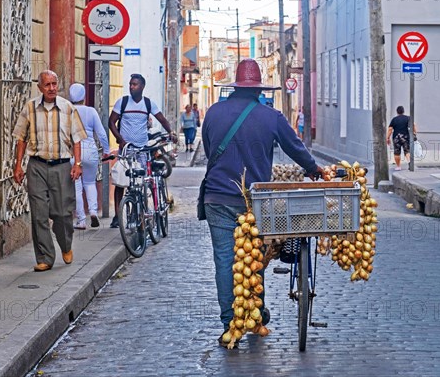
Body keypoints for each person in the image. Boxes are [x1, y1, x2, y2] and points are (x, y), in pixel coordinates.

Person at [202, 58, 323, 348]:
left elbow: (209, 149)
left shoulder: (214, 113)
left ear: (235, 86)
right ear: (258, 89)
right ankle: (255, 315)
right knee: (254, 256)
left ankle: (229, 322)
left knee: (224, 259)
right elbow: (295, 148)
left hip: (217, 196)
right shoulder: (271, 116)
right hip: (255, 200)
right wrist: (314, 169)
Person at [12, 70, 87, 272]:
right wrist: (18, 165)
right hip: (36, 165)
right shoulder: (30, 108)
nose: (52, 88)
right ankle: (45, 257)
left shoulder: (67, 108)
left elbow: (77, 138)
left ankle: (65, 244)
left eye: (54, 84)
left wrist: (77, 164)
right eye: (48, 85)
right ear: (40, 87)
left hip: (62, 166)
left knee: (62, 213)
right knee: (39, 214)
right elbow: (21, 138)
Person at [108, 73, 176, 228]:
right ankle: (118, 216)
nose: (132, 87)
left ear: (142, 87)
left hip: (143, 151)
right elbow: (111, 122)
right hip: (126, 151)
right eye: (131, 84)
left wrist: (171, 132)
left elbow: (162, 119)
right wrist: (120, 140)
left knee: (141, 184)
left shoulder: (148, 104)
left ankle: (137, 214)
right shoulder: (122, 102)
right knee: (120, 182)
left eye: (135, 84)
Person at [68, 83, 111, 230]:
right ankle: (93, 211)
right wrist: (106, 150)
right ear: (84, 97)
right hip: (91, 150)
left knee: (77, 186)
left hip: (74, 151)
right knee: (90, 183)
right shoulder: (91, 111)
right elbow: (101, 133)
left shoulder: (68, 111)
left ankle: (81, 220)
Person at [386, 105, 417, 171]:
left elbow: (390, 129)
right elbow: (414, 124)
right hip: (405, 137)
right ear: (403, 111)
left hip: (396, 138)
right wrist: (414, 132)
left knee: (397, 152)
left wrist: (387, 138)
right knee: (407, 150)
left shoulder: (394, 119)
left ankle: (398, 166)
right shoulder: (408, 118)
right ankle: (409, 162)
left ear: (397, 112)